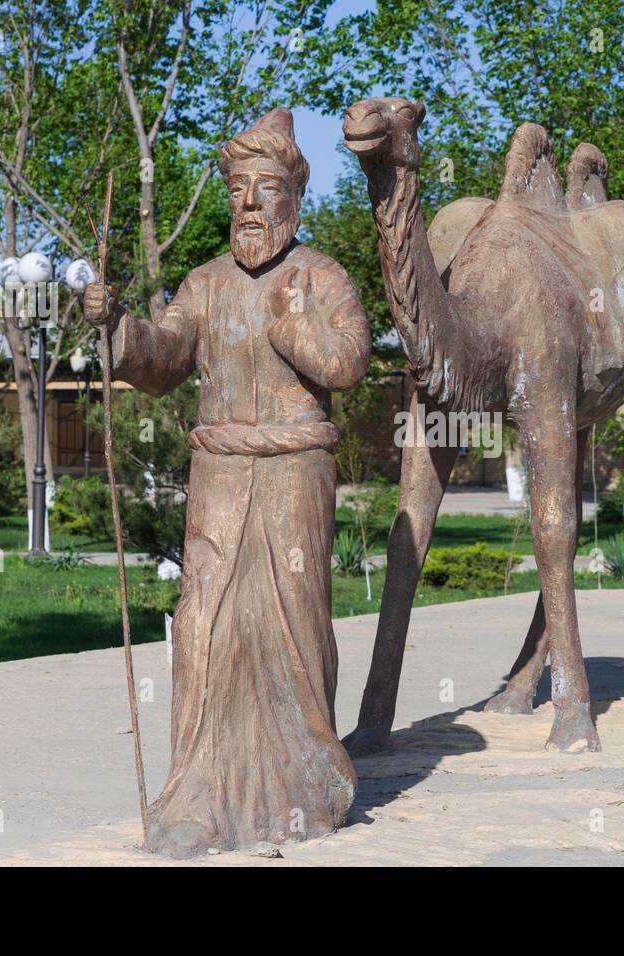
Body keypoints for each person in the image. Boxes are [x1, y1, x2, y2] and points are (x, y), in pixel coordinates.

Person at [83, 108, 369, 858]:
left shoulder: (323, 275)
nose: (248, 202)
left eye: (265, 187)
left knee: (295, 631)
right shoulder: (203, 283)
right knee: (204, 628)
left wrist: (294, 326)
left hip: (294, 473)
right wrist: (117, 327)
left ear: (294, 197)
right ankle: (198, 797)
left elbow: (346, 364)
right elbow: (163, 356)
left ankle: (306, 788)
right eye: (237, 188)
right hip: (219, 474)